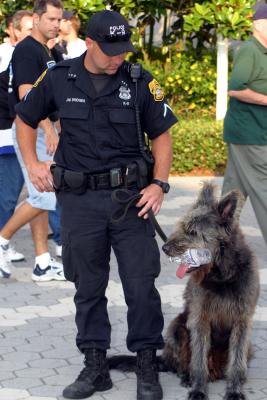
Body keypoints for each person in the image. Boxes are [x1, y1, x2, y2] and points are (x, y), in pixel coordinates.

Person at [15, 9, 177, 400]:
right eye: (110, 50)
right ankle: (95, 366)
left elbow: (163, 135)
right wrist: (34, 164)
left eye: (123, 49)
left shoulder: (139, 81)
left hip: (130, 201)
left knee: (141, 286)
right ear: (89, 44)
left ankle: (145, 366)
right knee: (87, 286)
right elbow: (25, 119)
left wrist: (159, 184)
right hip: (79, 201)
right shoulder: (58, 77)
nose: (118, 56)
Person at [0, 0, 64, 281]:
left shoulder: (50, 50)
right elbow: (27, 95)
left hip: (45, 129)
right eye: (50, 19)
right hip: (33, 130)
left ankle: (42, 262)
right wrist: (48, 127)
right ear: (36, 18)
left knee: (42, 195)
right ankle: (2, 240)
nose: (56, 24)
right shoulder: (27, 50)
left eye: (59, 20)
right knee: (45, 194)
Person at [222, 3, 267, 245]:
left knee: (232, 195)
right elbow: (235, 89)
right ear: (260, 25)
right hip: (248, 134)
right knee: (264, 190)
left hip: (256, 132)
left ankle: (217, 244)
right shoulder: (250, 50)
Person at [0, 10, 33, 273]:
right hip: (6, 137)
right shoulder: (7, 55)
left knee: (26, 195)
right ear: (14, 30)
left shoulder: (34, 54)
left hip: (21, 137)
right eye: (28, 29)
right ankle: (2, 243)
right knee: (8, 197)